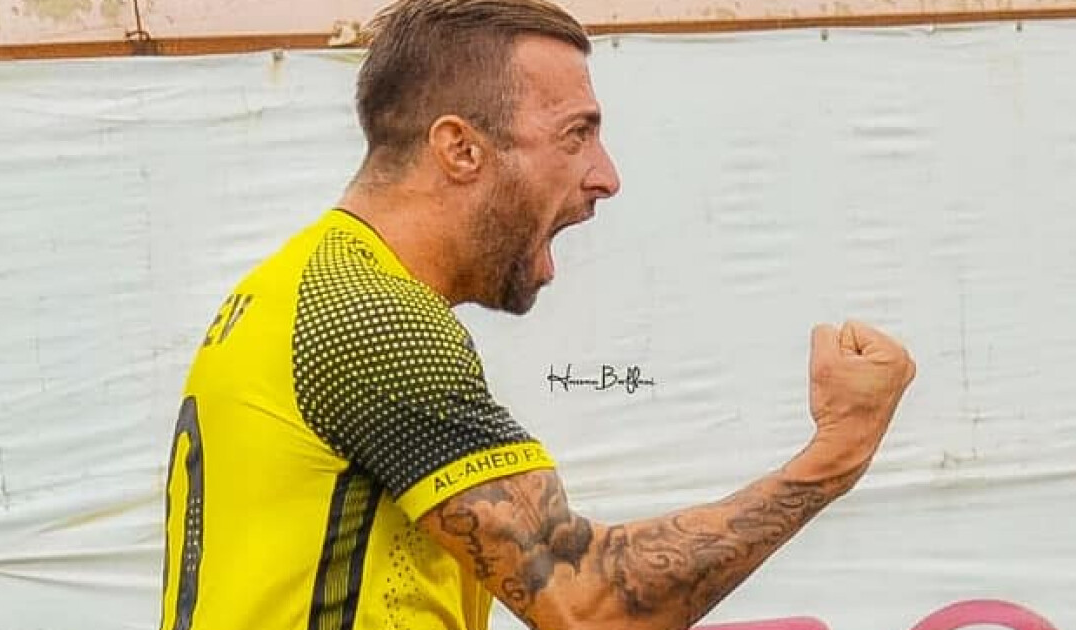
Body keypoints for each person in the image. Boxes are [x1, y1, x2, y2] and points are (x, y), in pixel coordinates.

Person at [157, 0, 917, 629]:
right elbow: (589, 605)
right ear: (460, 149)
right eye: (576, 134)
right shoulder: (374, 321)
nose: (606, 177)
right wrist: (835, 455)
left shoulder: (298, 286)